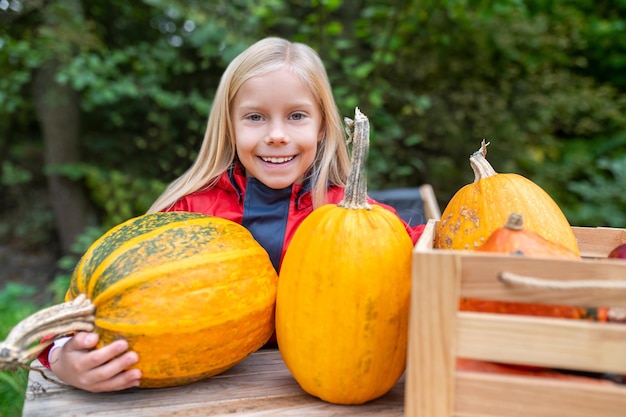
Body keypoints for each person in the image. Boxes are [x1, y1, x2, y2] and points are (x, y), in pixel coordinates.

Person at [37, 37, 426, 392]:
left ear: (323, 125)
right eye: (255, 117)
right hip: (206, 390)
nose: (276, 134)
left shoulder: (353, 216)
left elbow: (425, 248)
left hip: (332, 384)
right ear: (230, 126)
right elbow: (117, 297)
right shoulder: (190, 214)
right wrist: (61, 357)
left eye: (296, 116)